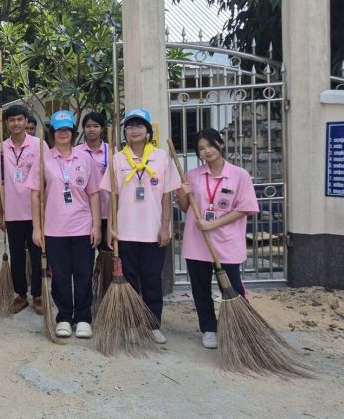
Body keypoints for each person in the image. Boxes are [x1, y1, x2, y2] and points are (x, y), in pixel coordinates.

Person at [100, 108, 181, 344]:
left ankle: (153, 323)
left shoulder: (161, 157)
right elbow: (112, 197)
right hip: (125, 231)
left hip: (153, 231)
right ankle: (133, 323)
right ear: (125, 132)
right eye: (130, 126)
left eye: (139, 126)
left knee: (152, 278)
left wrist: (165, 227)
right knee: (130, 279)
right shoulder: (117, 159)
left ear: (148, 131)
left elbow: (167, 196)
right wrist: (110, 227)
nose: (134, 130)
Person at [176, 128, 259, 349]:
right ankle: (209, 329)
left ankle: (237, 326)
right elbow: (186, 208)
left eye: (210, 145)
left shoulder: (239, 175)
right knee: (200, 288)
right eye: (201, 148)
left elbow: (245, 208)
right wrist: (183, 194)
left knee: (232, 288)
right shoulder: (193, 175)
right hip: (197, 241)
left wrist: (213, 224)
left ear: (220, 145)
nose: (207, 151)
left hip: (227, 241)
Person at [28, 110, 102, 338]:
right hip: (54, 228)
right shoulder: (44, 159)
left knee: (82, 273)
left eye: (67, 129)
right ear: (53, 133)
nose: (63, 133)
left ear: (73, 132)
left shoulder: (85, 158)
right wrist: (37, 228)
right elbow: (35, 195)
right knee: (59, 275)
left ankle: (83, 318)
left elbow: (94, 194)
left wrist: (97, 226)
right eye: (59, 129)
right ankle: (63, 316)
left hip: (82, 227)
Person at [0, 105, 49, 314]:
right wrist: (1, 213)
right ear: (6, 123)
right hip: (12, 213)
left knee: (38, 254)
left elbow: (48, 180)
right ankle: (21, 295)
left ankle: (38, 295)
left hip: (35, 213)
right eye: (11, 120)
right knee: (16, 255)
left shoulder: (40, 145)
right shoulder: (0, 149)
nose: (16, 123)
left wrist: (45, 212)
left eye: (19, 119)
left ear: (26, 121)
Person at [76, 111, 111, 252]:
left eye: (96, 126)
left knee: (108, 255)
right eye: (88, 126)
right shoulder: (76, 152)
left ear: (102, 128)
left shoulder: (112, 151)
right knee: (85, 254)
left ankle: (103, 275)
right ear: (83, 129)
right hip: (85, 214)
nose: (92, 129)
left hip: (109, 211)